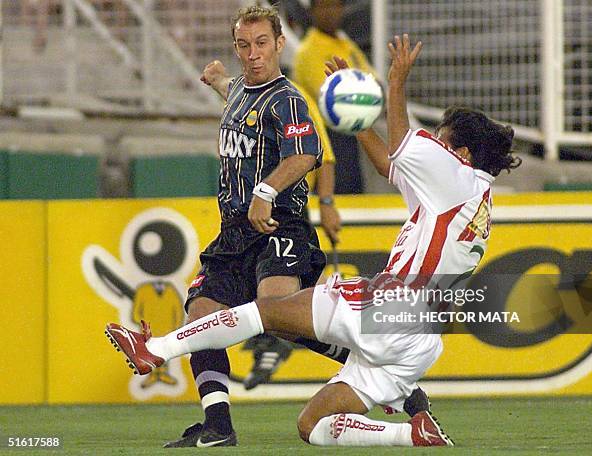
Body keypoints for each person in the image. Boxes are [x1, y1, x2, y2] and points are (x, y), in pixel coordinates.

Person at [106, 33, 521, 447]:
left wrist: (396, 82)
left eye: (442, 139)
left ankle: (155, 349)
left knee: (267, 311)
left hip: (390, 307)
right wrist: (358, 119)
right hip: (419, 338)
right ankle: (412, 433)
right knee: (312, 426)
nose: (436, 143)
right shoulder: (468, 194)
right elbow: (387, 164)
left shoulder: (456, 176)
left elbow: (400, 145)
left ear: (462, 153)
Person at [144, 5, 339, 448]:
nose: (253, 54)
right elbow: (235, 94)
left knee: (280, 316)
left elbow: (306, 153)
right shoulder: (239, 91)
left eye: (262, 44)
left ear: (279, 44)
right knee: (200, 317)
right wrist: (215, 80)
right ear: (236, 47)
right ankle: (218, 425)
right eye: (244, 45)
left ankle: (373, 364)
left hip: (278, 225)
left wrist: (265, 191)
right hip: (234, 233)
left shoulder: (289, 99)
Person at [242, 79, 343, 391]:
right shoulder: (243, 101)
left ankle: (272, 346)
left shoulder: (294, 99)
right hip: (249, 217)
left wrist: (326, 202)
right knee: (262, 299)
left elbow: (321, 156)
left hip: (288, 213)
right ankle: (269, 346)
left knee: (277, 302)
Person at [292, 0, 374, 194]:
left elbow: (374, 83)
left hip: (350, 136)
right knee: (331, 199)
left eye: (335, 5)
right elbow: (334, 99)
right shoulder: (307, 51)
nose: (330, 12)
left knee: (352, 196)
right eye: (324, 6)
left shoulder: (347, 45)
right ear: (312, 11)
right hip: (323, 138)